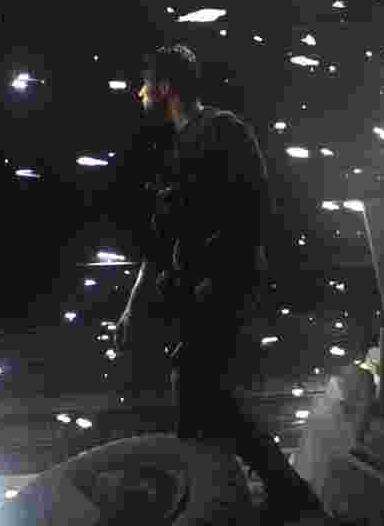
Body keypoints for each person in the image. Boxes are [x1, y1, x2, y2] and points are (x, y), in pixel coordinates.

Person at [114, 44, 325, 525]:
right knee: (201, 393)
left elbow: (254, 208)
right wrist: (134, 304)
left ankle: (266, 494)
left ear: (166, 87)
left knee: (196, 387)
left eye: (146, 81)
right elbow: (160, 240)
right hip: (199, 289)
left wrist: (220, 275)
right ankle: (241, 494)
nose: (139, 91)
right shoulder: (177, 148)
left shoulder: (224, 131)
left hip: (225, 285)